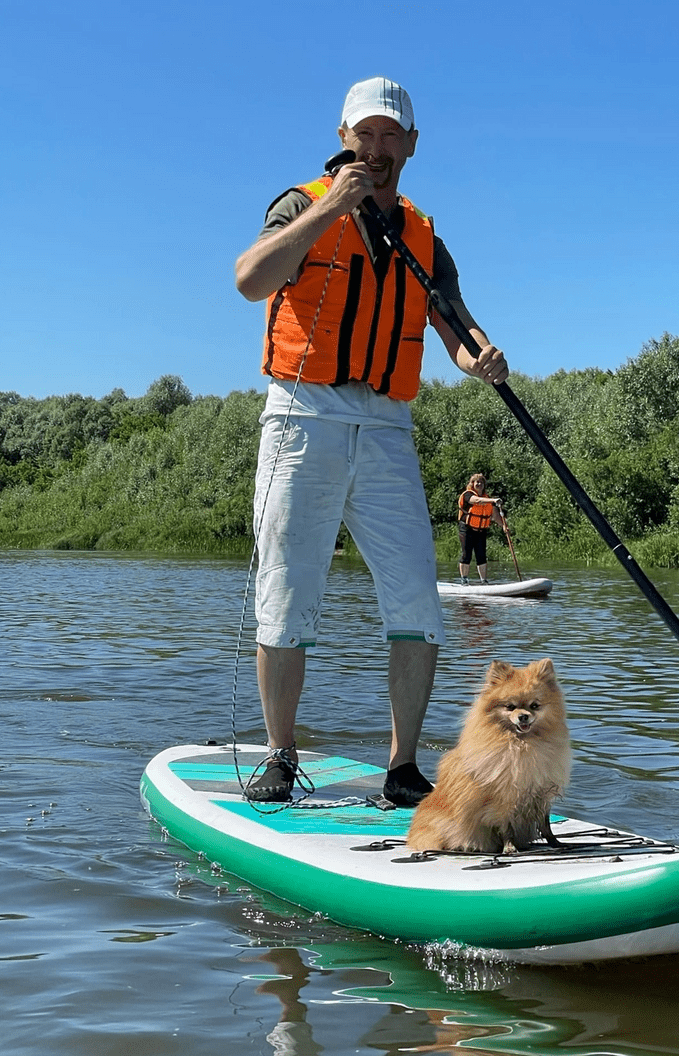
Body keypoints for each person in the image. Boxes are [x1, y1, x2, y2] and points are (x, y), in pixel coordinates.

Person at [234, 76, 509, 804]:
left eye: (392, 136)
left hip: (387, 424)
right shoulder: (301, 204)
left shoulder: (424, 234)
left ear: (412, 146)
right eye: (366, 134)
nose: (378, 148)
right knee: (288, 593)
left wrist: (480, 356)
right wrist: (332, 208)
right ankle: (280, 755)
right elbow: (249, 280)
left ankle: (402, 768)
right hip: (303, 413)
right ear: (343, 138)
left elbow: (454, 322)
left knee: (417, 600)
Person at [457, 473, 501, 584]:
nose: (479, 484)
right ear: (472, 484)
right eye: (477, 482)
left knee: (481, 555)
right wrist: (493, 500)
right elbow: (476, 501)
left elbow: (495, 516)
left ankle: (483, 581)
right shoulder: (468, 495)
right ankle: (464, 580)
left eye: (481, 482)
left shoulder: (487, 499)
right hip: (467, 529)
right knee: (466, 554)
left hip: (481, 530)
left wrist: (504, 527)